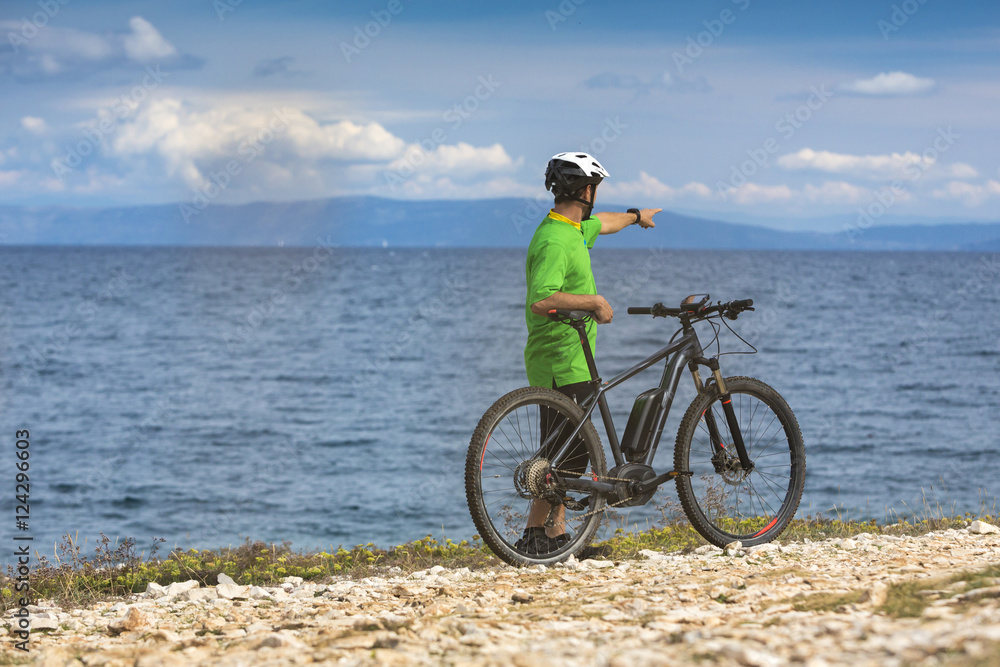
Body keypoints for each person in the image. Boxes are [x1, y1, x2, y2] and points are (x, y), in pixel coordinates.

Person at [517, 152, 660, 554]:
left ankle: (545, 537)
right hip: (559, 358)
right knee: (566, 455)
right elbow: (542, 300)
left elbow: (604, 223)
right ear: (585, 189)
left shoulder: (572, 228)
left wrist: (636, 216)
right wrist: (594, 301)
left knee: (564, 451)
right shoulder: (555, 239)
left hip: (570, 356)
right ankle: (545, 538)